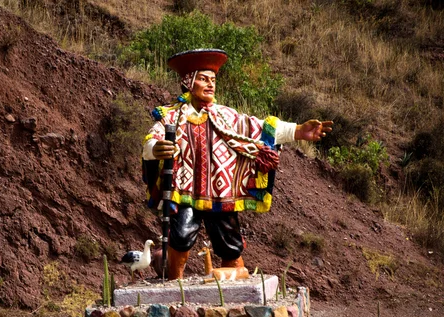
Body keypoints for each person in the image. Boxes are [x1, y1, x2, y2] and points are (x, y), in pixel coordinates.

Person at [142, 49, 332, 280]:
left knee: (229, 242)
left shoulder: (225, 116)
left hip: (221, 193)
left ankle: (236, 275)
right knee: (181, 236)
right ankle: (174, 280)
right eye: (203, 79)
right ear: (188, 82)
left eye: (213, 80)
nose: (210, 85)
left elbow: (258, 128)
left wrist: (298, 131)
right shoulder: (171, 116)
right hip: (185, 190)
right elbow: (153, 138)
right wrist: (156, 148)